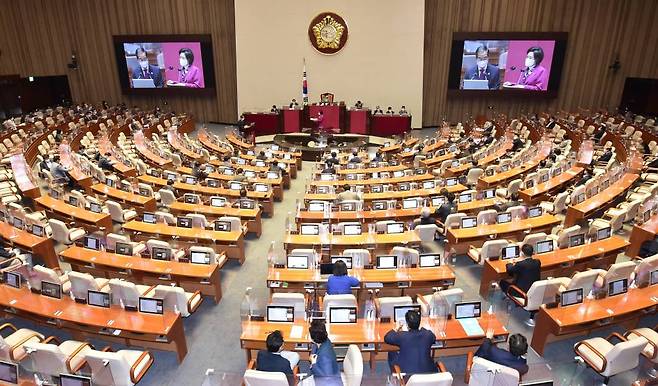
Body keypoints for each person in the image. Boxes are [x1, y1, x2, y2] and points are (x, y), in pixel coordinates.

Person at [384, 310, 437, 374]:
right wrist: (423, 329)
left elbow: (387, 338)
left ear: (407, 325)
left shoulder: (403, 335)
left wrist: (396, 328)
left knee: (391, 352)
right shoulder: (428, 334)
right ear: (419, 322)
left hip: (408, 375)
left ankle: (394, 375)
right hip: (429, 373)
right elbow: (433, 338)